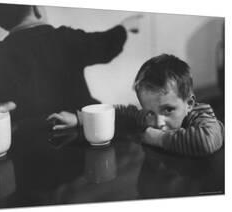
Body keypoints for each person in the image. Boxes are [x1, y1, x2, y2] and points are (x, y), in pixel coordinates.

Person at [0, 3, 142, 123]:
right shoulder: (64, 38)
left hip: (25, 140)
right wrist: (124, 26)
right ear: (36, 9)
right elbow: (104, 45)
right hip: (77, 130)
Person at [50, 54, 224, 157]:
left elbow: (207, 142)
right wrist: (80, 118)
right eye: (149, 112)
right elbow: (124, 114)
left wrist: (156, 138)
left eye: (168, 110)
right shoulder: (147, 119)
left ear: (189, 104)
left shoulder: (201, 116)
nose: (158, 123)